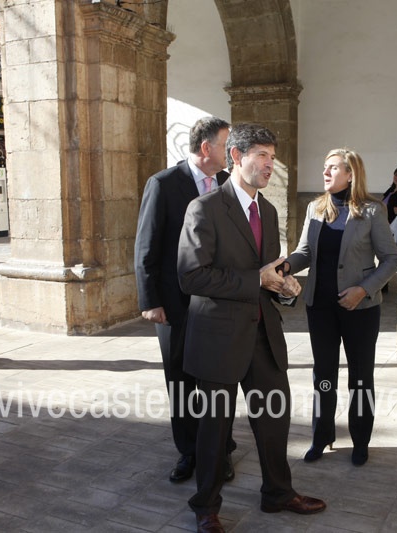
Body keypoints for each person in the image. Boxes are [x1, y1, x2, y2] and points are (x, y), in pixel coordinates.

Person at [178, 123, 326, 532]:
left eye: (272, 157)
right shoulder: (204, 209)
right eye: (261, 155)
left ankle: (278, 493)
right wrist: (256, 279)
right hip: (218, 340)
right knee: (214, 430)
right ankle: (206, 507)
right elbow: (191, 276)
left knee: (275, 420)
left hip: (263, 336)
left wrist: (284, 286)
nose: (269, 164)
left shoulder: (269, 210)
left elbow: (268, 273)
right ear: (236, 156)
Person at [134, 116, 236, 484]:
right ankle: (189, 451)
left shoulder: (228, 184)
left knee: (218, 381)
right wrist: (150, 300)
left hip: (218, 303)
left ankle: (221, 450)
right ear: (206, 148)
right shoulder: (163, 184)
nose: (232, 151)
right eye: (226, 145)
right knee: (181, 381)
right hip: (174, 305)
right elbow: (146, 245)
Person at [283, 148, 397, 466]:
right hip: (319, 307)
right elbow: (305, 252)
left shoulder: (372, 211)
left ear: (351, 174)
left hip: (360, 309)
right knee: (323, 375)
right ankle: (322, 436)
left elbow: (391, 259)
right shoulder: (315, 208)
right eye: (325, 166)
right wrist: (285, 266)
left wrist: (363, 290)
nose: (325, 172)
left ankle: (360, 440)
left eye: (333, 167)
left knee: (360, 377)